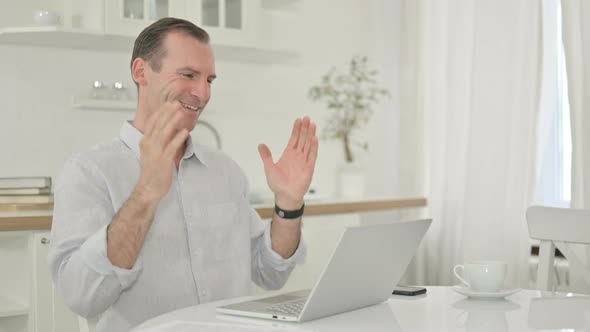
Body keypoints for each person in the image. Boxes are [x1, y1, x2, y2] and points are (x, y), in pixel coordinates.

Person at [48, 17, 318, 332]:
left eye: (209, 80)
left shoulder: (224, 172)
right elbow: (81, 297)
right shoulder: (89, 172)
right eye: (188, 75)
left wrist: (288, 204)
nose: (202, 93)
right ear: (141, 72)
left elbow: (269, 272)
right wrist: (146, 194)